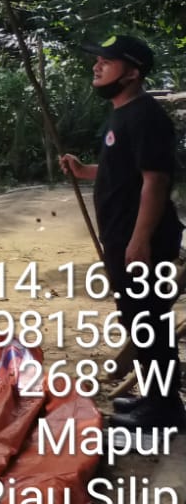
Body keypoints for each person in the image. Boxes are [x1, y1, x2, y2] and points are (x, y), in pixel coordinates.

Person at [58, 34, 184, 432]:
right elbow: (124, 171)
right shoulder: (122, 113)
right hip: (123, 237)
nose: (96, 67)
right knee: (138, 320)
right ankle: (155, 399)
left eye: (106, 62)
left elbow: (155, 181)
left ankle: (164, 410)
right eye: (97, 59)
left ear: (131, 73)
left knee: (149, 321)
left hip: (142, 241)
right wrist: (84, 171)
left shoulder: (146, 116)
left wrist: (140, 239)